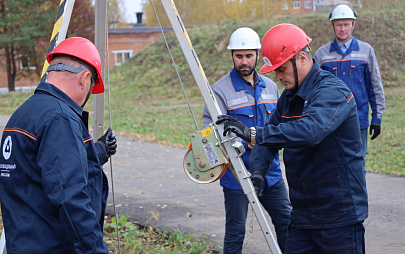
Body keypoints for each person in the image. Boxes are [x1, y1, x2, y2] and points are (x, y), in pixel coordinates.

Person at [216, 24, 368, 253]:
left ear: (303, 58)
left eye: (282, 69)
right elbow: (269, 141)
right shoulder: (289, 98)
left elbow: (310, 131)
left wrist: (253, 133)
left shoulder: (333, 91)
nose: (277, 77)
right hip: (303, 216)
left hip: (339, 217)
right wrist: (257, 173)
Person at [0, 37, 117, 253]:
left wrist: (98, 152)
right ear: (85, 79)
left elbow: (41, 169)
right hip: (53, 246)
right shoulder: (60, 118)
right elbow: (71, 197)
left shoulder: (24, 114)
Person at [202, 27, 291, 254]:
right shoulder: (219, 91)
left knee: (287, 225)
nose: (244, 61)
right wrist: (247, 141)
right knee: (235, 231)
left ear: (258, 55)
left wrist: (255, 137)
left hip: (271, 174)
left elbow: (281, 128)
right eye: (239, 56)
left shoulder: (272, 87)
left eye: (249, 56)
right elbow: (212, 135)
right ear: (232, 55)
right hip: (236, 176)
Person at [314, 4, 385, 161]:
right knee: (331, 165)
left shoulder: (366, 51)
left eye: (346, 24)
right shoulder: (322, 54)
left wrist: (377, 118)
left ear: (353, 24)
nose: (342, 29)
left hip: (358, 120)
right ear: (332, 25)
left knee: (357, 164)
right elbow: (312, 89)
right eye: (338, 24)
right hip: (329, 121)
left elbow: (375, 86)